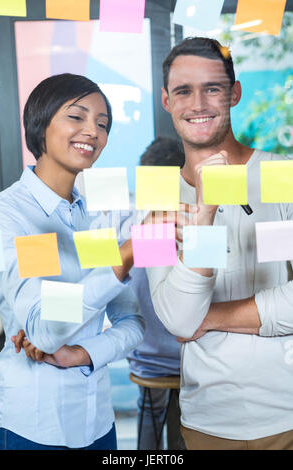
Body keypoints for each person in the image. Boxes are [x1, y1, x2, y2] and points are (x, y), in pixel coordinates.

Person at [145, 37, 293, 450]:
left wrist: (209, 318)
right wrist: (205, 214)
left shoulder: (284, 175)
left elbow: (193, 320)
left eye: (212, 88)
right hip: (207, 420)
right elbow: (176, 319)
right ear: (166, 100)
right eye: (183, 90)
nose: (198, 103)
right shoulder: (155, 197)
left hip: (288, 412)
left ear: (234, 92)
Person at [0, 73, 145, 450]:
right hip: (32, 427)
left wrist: (84, 353)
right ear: (40, 123)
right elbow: (44, 329)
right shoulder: (11, 216)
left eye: (103, 123)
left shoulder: (96, 218)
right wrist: (121, 260)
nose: (92, 131)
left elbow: (132, 323)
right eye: (77, 117)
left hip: (97, 423)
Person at [127, 137, 186, 450]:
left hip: (146, 359)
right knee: (188, 409)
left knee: (150, 409)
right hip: (189, 360)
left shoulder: (138, 229)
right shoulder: (193, 227)